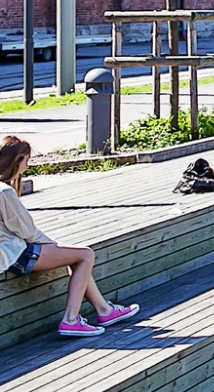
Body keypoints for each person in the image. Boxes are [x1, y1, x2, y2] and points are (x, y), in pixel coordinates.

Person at [0, 136, 141, 337]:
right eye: (27, 160)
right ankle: (71, 320)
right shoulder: (5, 192)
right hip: (16, 254)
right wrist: (54, 245)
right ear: (17, 160)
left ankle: (104, 310)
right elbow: (27, 232)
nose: (27, 165)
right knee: (85, 255)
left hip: (9, 253)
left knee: (75, 256)